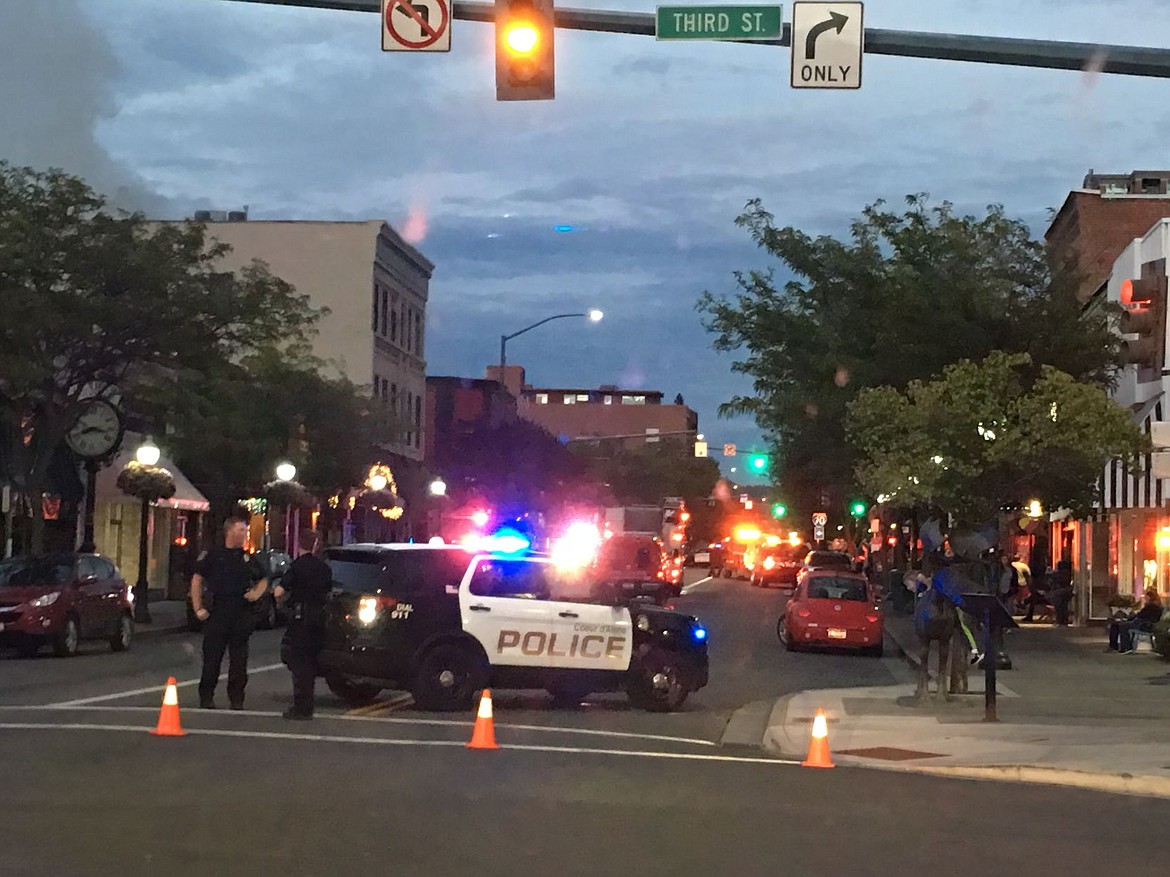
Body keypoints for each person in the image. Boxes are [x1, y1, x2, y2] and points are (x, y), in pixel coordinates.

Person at [191, 517, 268, 709]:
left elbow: (264, 578)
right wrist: (198, 607)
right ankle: (206, 696)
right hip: (217, 612)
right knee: (212, 659)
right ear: (229, 532)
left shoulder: (247, 558)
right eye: (241, 530)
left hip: (241, 613)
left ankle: (236, 698)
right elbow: (196, 580)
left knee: (239, 661)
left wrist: (256, 593)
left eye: (244, 530)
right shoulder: (213, 555)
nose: (244, 534)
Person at [273, 529, 332, 720]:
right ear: (315, 545)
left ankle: (302, 707)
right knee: (311, 663)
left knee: (300, 667)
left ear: (299, 545)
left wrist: (283, 605)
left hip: (301, 620)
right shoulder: (324, 568)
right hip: (319, 619)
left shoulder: (296, 567)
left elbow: (279, 591)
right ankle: (309, 705)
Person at [1109, 588, 1164, 653]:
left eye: (1146, 597)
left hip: (1143, 624)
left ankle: (1125, 647)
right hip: (1145, 623)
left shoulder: (1150, 606)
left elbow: (1141, 615)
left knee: (1122, 626)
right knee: (1117, 625)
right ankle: (1118, 646)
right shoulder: (1156, 606)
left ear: (1149, 597)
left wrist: (1131, 616)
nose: (1145, 598)